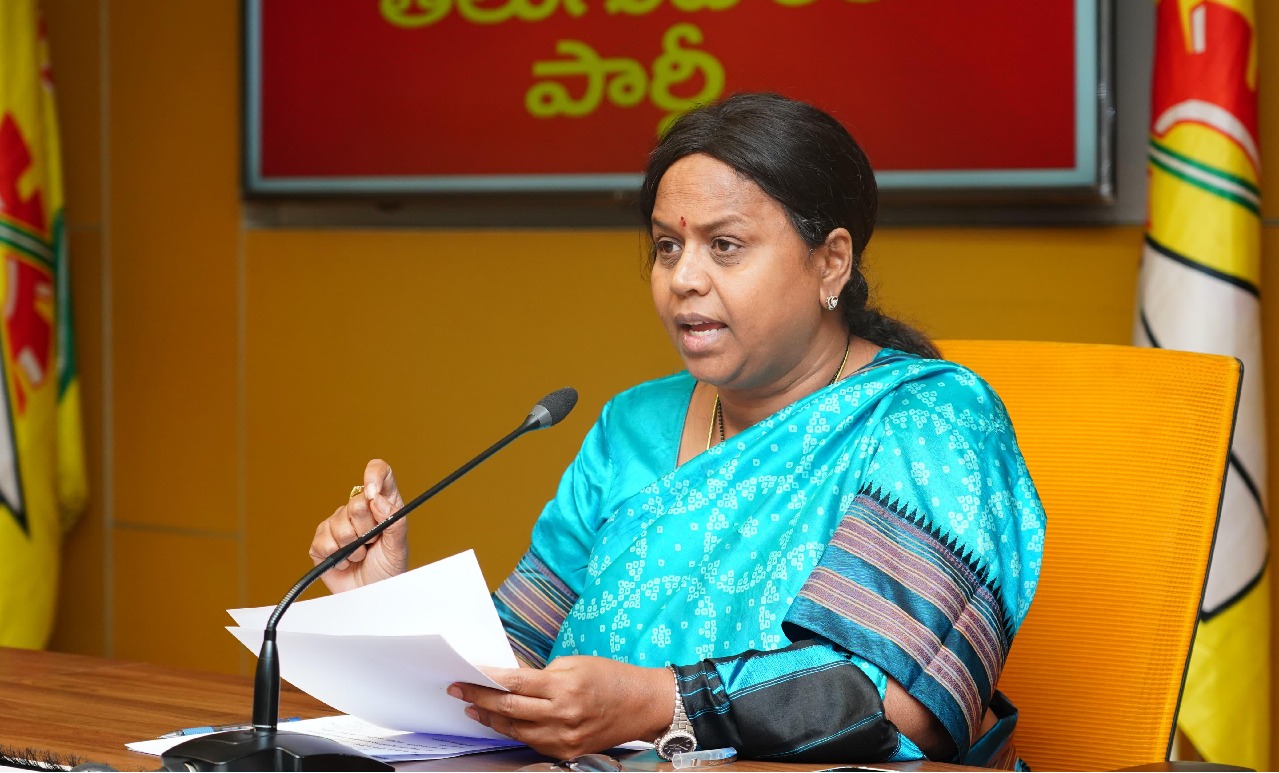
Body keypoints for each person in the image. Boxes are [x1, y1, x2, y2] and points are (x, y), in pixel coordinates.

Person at [309, 92, 1045, 767]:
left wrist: (659, 703)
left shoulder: (929, 420)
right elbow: (518, 667)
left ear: (831, 262)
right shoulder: (632, 425)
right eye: (668, 246)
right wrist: (387, 607)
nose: (683, 278)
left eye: (724, 245)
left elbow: (897, 703)